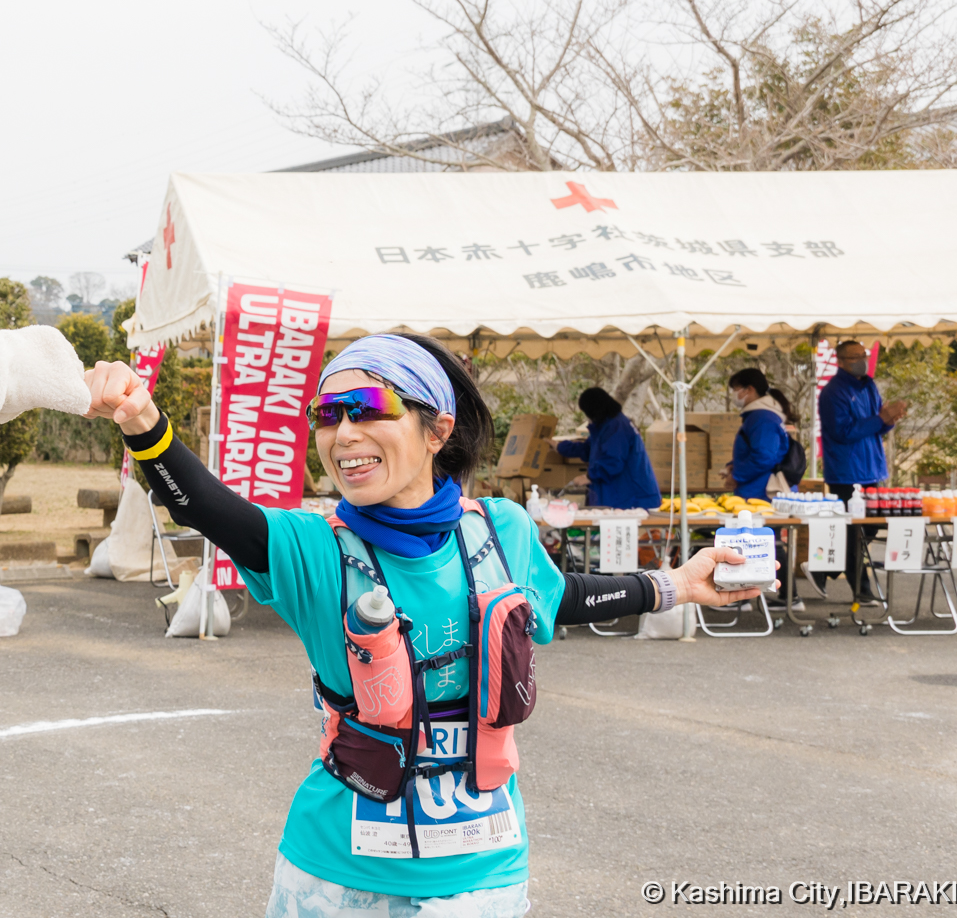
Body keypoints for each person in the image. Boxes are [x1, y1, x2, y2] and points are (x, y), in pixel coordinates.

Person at [84, 333, 763, 917]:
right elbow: (203, 506)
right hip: (337, 876)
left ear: (436, 430)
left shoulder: (501, 530)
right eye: (327, 415)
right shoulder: (313, 549)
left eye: (368, 409)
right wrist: (143, 420)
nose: (342, 433)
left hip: (484, 875)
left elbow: (560, 599)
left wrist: (674, 585)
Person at [819, 341, 908, 600]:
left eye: (864, 355)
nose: (862, 360)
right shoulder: (833, 392)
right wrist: (880, 418)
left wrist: (889, 418)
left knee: (870, 527)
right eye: (855, 356)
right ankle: (862, 588)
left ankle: (825, 569)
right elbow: (843, 431)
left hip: (871, 468)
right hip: (846, 471)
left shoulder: (868, 385)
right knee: (854, 530)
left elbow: (876, 426)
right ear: (841, 361)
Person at [556, 387, 660, 510]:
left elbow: (613, 461)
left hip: (632, 499)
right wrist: (559, 446)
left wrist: (589, 477)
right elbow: (588, 449)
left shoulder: (617, 427)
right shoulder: (606, 427)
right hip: (620, 497)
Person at [725, 368, 790, 500]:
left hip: (761, 492)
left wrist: (736, 475)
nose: (733, 394)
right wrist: (734, 464)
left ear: (749, 389)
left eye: (736, 389)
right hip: (756, 489)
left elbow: (763, 457)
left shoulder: (763, 419)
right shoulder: (759, 416)